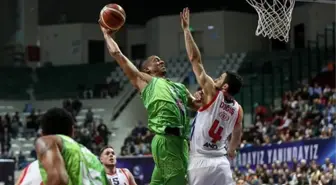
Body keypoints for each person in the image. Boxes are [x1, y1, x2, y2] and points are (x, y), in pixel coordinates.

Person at [99, 21, 201, 185]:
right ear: (146, 69)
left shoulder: (179, 87)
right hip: (165, 139)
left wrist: (199, 98)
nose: (161, 62)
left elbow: (196, 105)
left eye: (161, 60)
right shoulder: (145, 82)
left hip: (181, 141)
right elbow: (119, 55)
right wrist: (107, 36)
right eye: (156, 60)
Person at [180, 8, 244, 185]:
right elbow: (238, 131)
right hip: (221, 164)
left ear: (224, 86)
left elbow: (195, 60)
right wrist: (232, 149)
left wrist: (186, 30)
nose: (215, 78)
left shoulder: (213, 92)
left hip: (200, 161)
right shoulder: (238, 109)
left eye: (220, 78)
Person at [15, 108, 110, 185]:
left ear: (43, 134)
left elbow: (58, 180)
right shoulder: (97, 163)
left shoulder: (34, 168)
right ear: (73, 132)